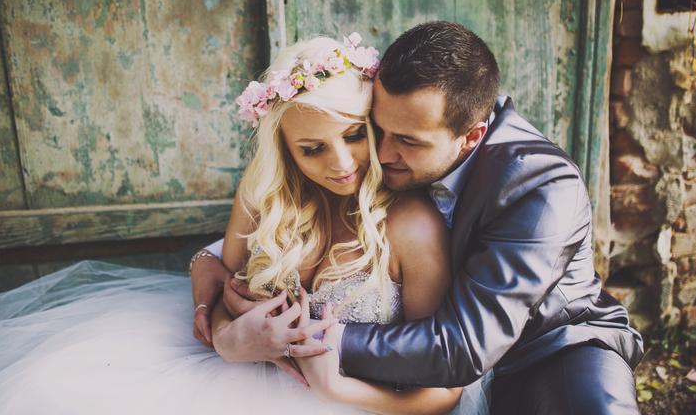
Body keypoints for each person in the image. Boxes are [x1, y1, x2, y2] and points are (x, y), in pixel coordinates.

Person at [0, 34, 490, 414]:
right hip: (238, 382)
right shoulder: (265, 194)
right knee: (58, 387)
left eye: (355, 135)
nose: (341, 164)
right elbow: (229, 294)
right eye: (312, 149)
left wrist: (335, 388)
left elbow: (442, 388)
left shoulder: (411, 225)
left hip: (363, 402)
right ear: (286, 151)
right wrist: (229, 340)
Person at [192, 21, 645, 414]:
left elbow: (460, 348)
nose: (382, 154)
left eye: (406, 141)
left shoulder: (541, 187)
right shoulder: (385, 139)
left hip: (548, 347)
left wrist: (305, 337)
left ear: (471, 137)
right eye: (377, 129)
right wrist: (211, 267)